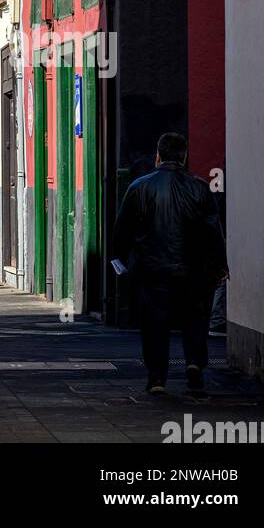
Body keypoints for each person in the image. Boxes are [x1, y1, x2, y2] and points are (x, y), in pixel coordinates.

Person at [112, 131, 228, 396]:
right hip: (194, 270)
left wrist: (120, 259)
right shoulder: (200, 187)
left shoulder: (139, 187)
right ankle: (195, 363)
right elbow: (213, 231)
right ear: (184, 156)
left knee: (155, 325)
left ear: (158, 156)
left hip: (153, 269)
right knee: (195, 319)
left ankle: (156, 378)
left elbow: (123, 229)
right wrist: (220, 265)